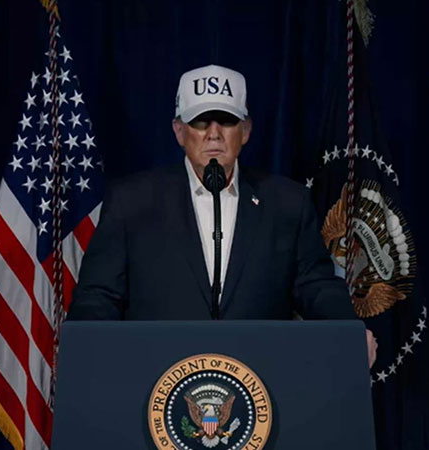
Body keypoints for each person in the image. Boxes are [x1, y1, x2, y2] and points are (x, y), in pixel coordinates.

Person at [66, 64, 376, 366]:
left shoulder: (287, 203)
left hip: (259, 377)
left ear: (246, 131)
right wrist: (83, 347)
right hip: (156, 377)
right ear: (179, 131)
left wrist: (348, 331)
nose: (213, 134)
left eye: (226, 121)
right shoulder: (131, 202)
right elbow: (99, 294)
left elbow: (316, 285)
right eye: (200, 122)